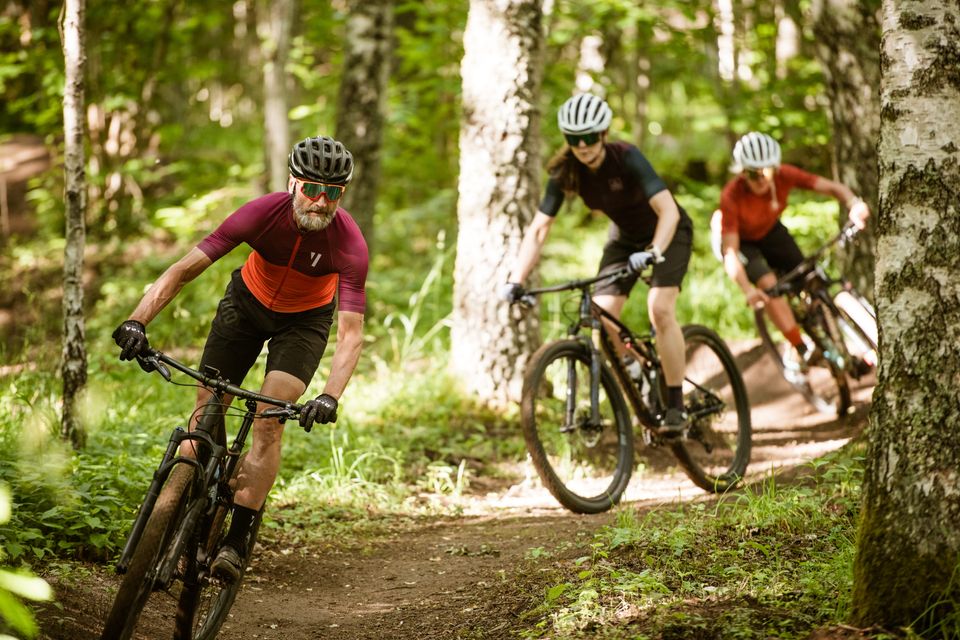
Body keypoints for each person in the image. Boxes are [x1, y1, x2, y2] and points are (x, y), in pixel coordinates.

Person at [112, 135, 369, 581]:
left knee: (270, 420)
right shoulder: (261, 214)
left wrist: (330, 394)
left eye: (332, 193)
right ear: (292, 183)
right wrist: (137, 321)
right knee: (207, 410)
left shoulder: (349, 245)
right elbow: (183, 270)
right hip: (245, 306)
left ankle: (236, 538)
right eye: (311, 188)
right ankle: (187, 492)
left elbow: (350, 334)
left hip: (303, 324)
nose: (320, 201)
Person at [500, 92, 694, 436]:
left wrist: (653, 251)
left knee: (660, 309)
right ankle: (638, 373)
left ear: (603, 134)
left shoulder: (627, 157)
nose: (583, 146)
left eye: (590, 137)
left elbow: (669, 210)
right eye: (574, 140)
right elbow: (540, 228)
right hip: (623, 239)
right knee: (603, 316)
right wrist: (516, 279)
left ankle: (677, 405)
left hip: (668, 232)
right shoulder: (565, 172)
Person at [712, 131, 870, 377]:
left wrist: (853, 204)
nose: (762, 179)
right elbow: (731, 252)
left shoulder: (785, 175)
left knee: (809, 277)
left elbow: (831, 187)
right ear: (742, 173)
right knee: (769, 285)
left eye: (767, 171)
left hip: (770, 231)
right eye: (754, 173)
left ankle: (838, 349)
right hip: (742, 241)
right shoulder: (732, 196)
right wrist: (748, 290)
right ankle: (799, 346)